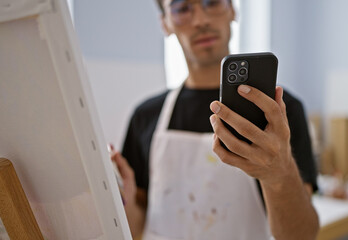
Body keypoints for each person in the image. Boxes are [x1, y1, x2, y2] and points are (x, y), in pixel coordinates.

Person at [110, 0, 320, 239]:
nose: (201, 20)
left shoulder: (278, 112)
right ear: (165, 23)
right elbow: (137, 231)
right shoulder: (145, 117)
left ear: (233, 9)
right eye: (181, 9)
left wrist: (279, 174)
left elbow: (301, 236)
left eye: (213, 2)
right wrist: (121, 203)